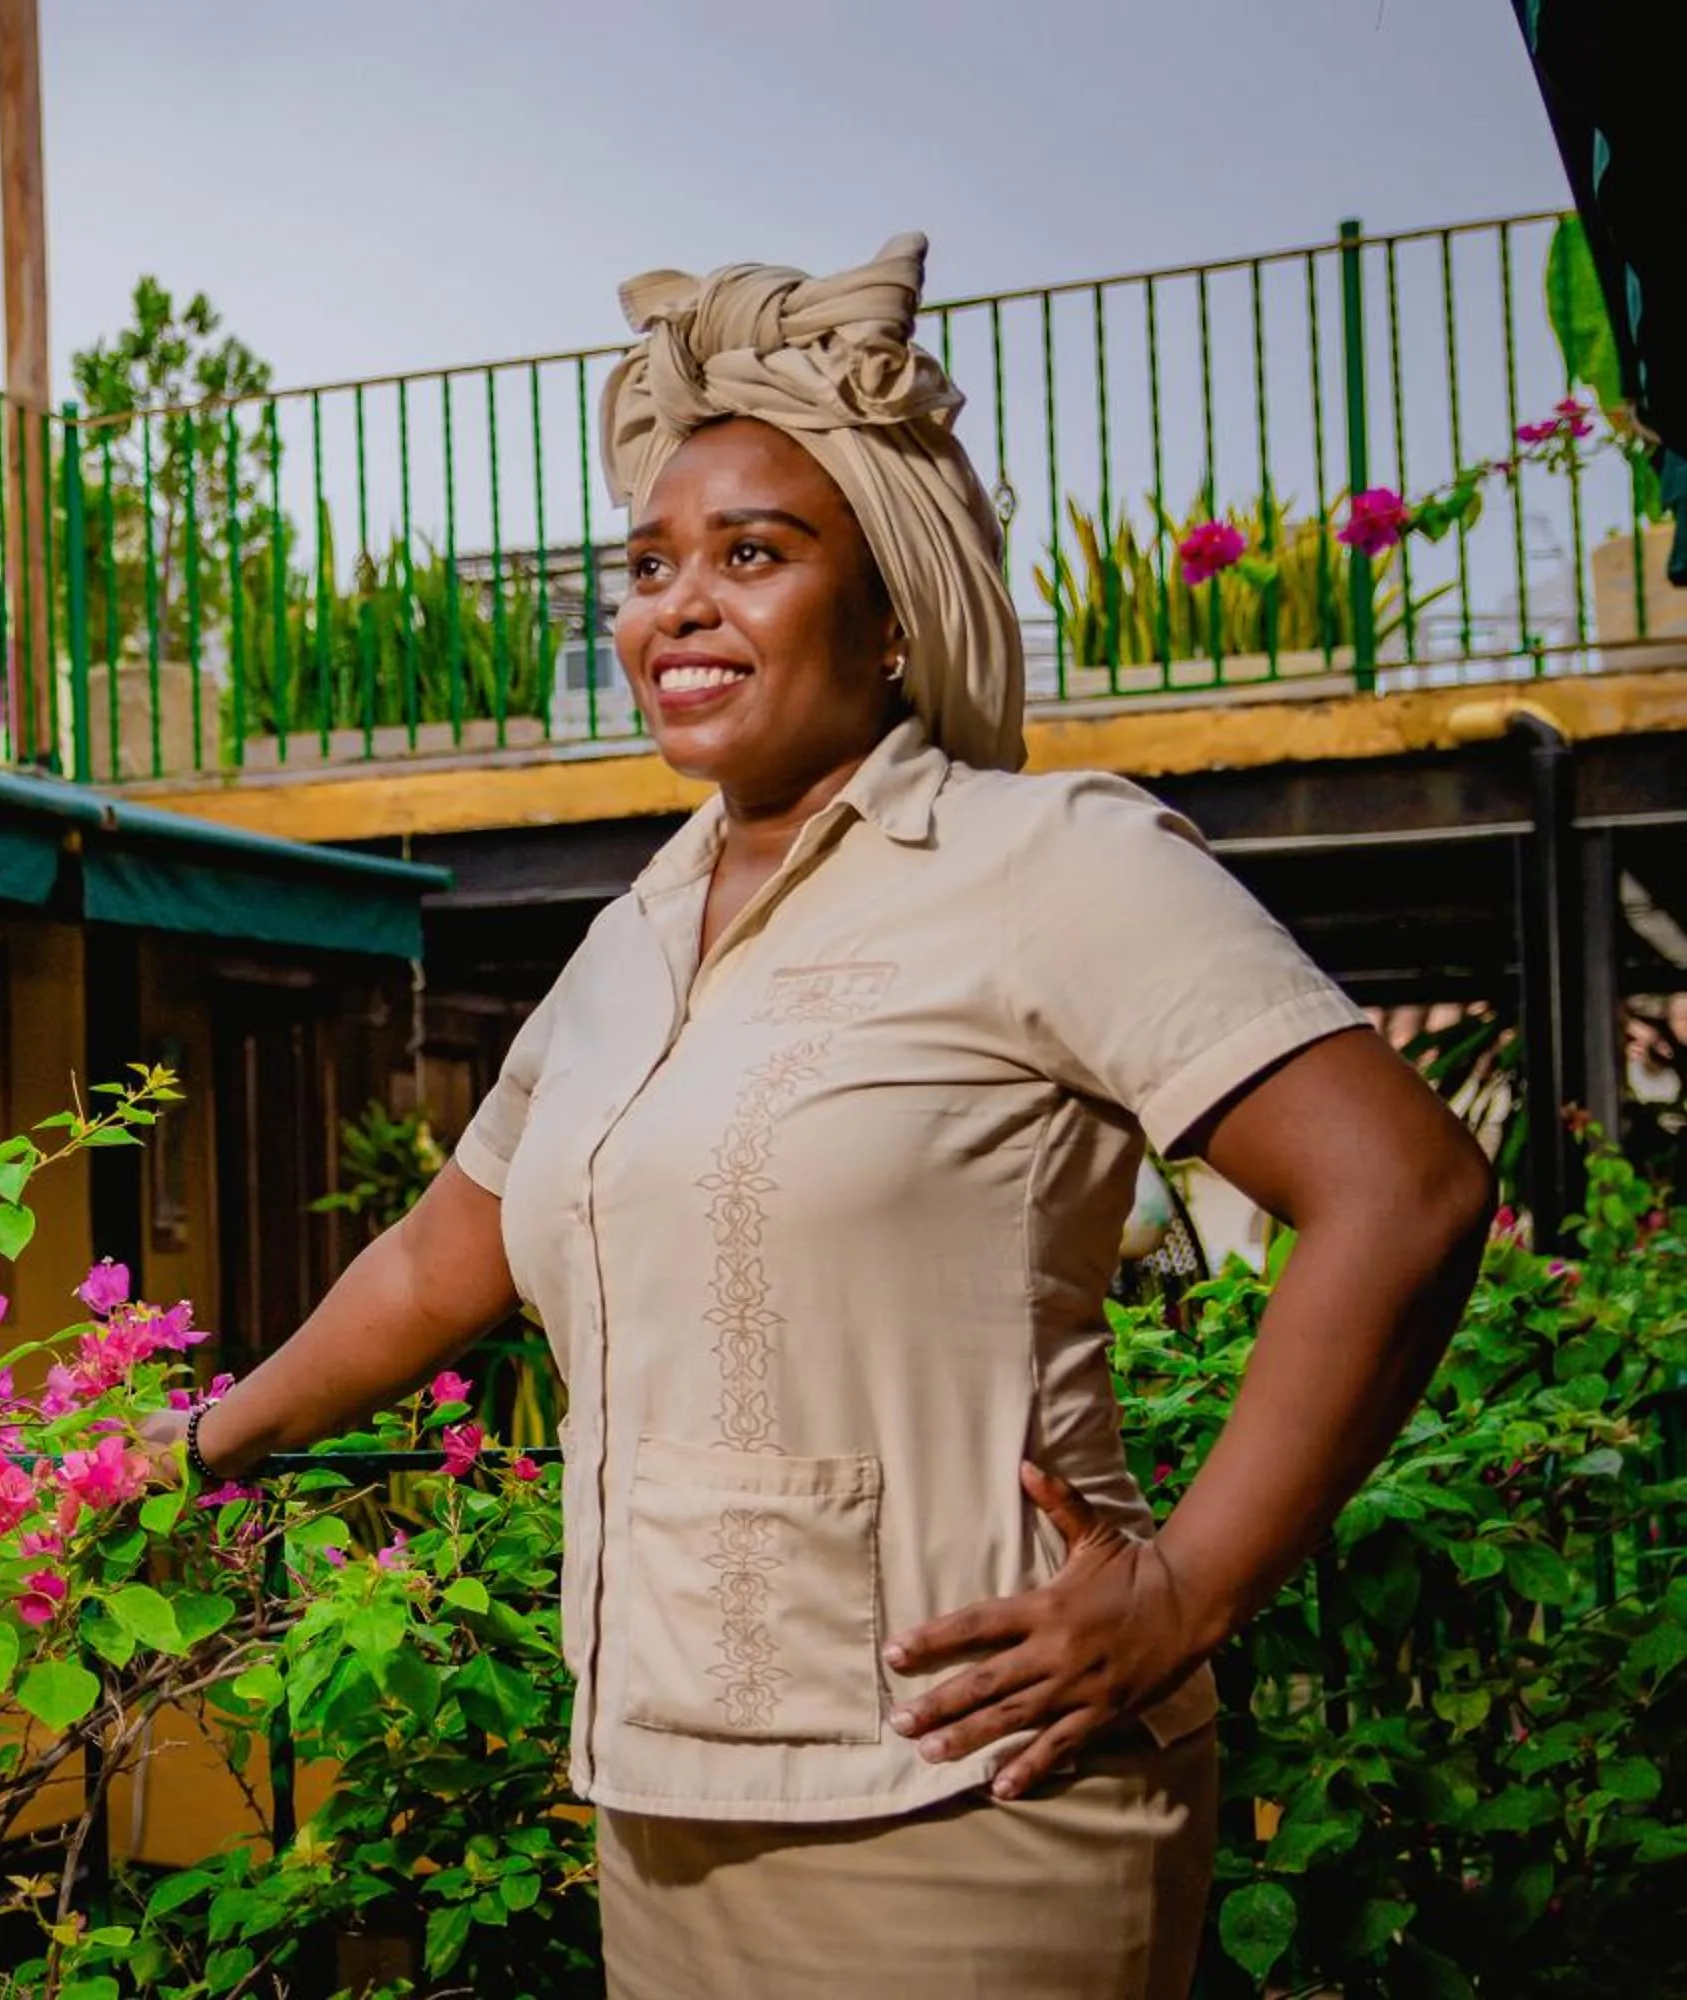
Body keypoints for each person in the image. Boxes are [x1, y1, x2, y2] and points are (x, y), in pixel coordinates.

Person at [149, 236, 1493, 1997]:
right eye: (648, 566)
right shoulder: (630, 939)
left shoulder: (1050, 862)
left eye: (753, 556)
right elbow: (443, 1253)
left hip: (972, 1800)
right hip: (661, 1803)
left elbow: (1403, 1190)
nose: (675, 604)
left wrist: (1187, 1589)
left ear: (891, 615)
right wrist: (189, 1450)